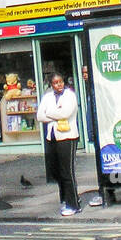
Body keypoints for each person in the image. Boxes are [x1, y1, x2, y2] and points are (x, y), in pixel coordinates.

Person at [37, 73, 81, 216]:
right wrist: (56, 113)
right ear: (51, 84)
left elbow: (66, 113)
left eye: (61, 81)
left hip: (67, 136)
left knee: (67, 171)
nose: (59, 84)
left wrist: (49, 113)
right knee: (55, 172)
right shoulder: (47, 97)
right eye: (55, 83)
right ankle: (65, 199)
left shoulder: (70, 95)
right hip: (52, 137)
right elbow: (39, 116)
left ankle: (74, 204)